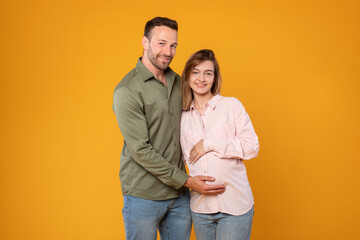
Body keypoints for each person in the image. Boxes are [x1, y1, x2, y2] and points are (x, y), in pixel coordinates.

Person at [113, 18, 225, 240]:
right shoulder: (127, 90)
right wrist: (187, 180)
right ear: (145, 42)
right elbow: (140, 150)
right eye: (161, 43)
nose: (168, 51)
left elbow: (203, 113)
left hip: (179, 197)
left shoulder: (179, 82)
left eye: (173, 45)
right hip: (144, 196)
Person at [180, 49, 259, 240]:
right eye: (196, 72)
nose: (202, 78)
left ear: (215, 78)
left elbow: (251, 146)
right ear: (188, 76)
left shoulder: (231, 106)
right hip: (201, 208)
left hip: (234, 207)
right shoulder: (181, 117)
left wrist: (210, 144)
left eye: (208, 73)